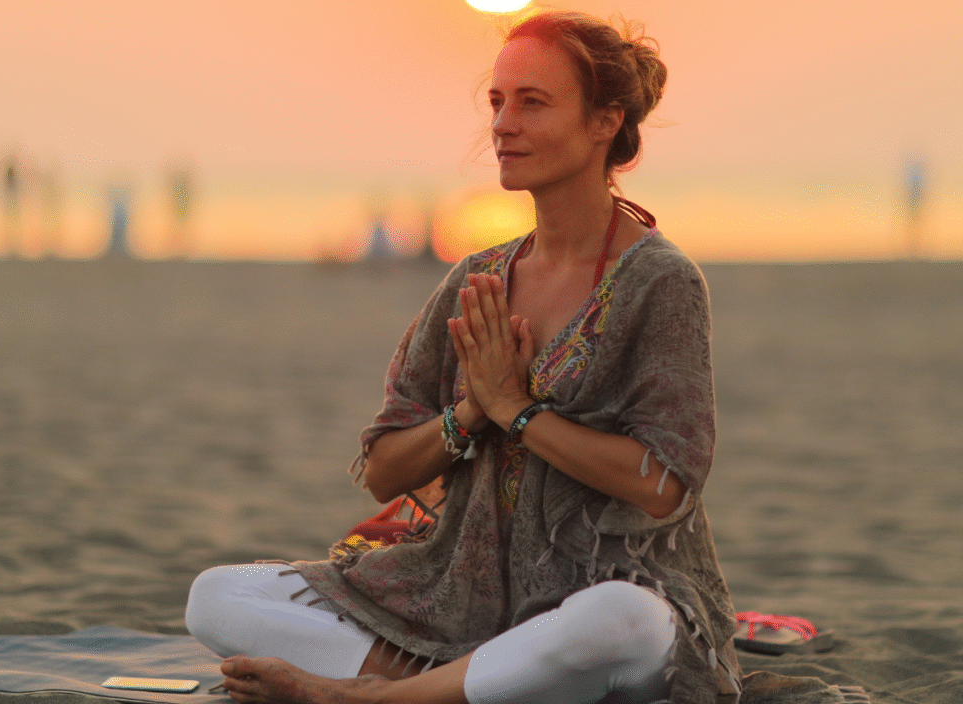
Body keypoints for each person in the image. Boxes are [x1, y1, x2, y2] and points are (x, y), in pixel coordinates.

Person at [186, 11, 738, 704]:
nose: (502, 125)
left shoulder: (660, 282)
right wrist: (471, 412)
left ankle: (365, 696)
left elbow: (665, 485)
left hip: (610, 591)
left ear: (605, 122)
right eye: (497, 102)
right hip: (461, 597)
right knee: (216, 598)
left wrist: (518, 411)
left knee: (618, 623)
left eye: (532, 103)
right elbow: (385, 470)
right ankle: (480, 682)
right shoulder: (478, 280)